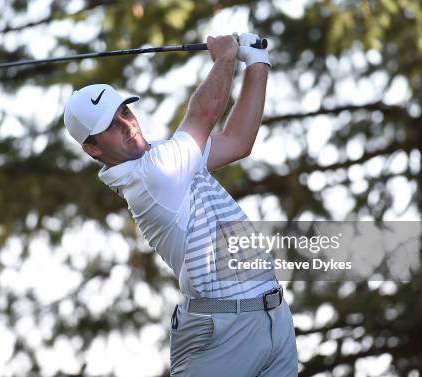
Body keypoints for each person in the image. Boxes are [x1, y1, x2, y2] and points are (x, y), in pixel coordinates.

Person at [63, 33, 297, 377]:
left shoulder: (167, 156)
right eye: (111, 125)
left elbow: (237, 141)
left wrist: (258, 61)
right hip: (221, 334)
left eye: (125, 111)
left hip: (273, 318)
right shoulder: (151, 176)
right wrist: (225, 58)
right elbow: (203, 115)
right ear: (93, 149)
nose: (127, 124)